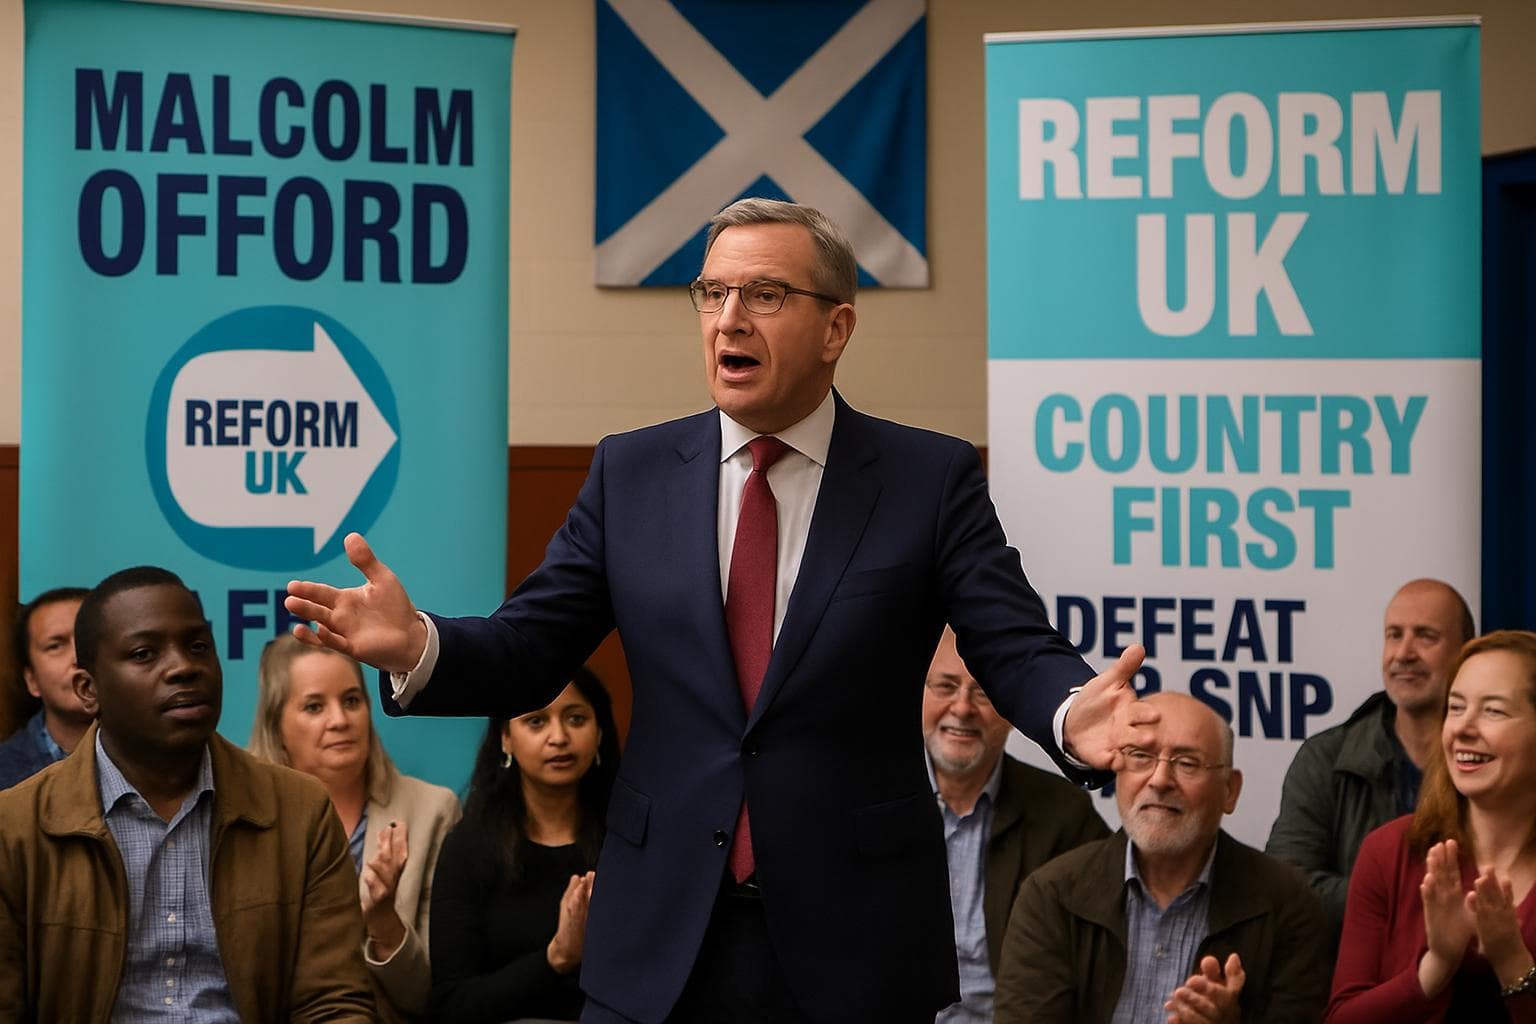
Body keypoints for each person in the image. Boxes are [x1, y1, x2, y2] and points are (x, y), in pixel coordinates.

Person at [286, 198, 1153, 1024]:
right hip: (658, 931)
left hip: (854, 939)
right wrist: (419, 645)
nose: (729, 317)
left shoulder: (928, 479)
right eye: (713, 292)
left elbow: (1011, 642)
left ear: (837, 328)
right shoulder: (631, 473)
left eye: (765, 294)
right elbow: (529, 647)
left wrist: (1073, 712)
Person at [0, 566, 373, 1021]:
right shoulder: (14, 829)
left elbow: (333, 1001)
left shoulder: (299, 811)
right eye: (144, 653)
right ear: (89, 690)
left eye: (198, 646)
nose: (183, 667)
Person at [994, 692, 1329, 1024]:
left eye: (1186, 763)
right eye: (1141, 756)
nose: (1159, 780)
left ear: (1229, 790)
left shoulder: (1287, 903)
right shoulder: (1053, 894)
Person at [249, 632, 461, 1022]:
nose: (340, 720)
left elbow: (428, 995)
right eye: (314, 707)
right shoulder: (245, 817)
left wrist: (383, 922)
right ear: (276, 725)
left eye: (351, 700)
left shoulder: (433, 811)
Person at [1327, 630, 1536, 1023]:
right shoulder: (1389, 851)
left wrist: (1514, 963)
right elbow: (1342, 1018)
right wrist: (1436, 964)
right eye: (1455, 708)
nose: (1463, 729)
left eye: (1493, 711)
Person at [923, 626, 1109, 1024]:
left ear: (1011, 710)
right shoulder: (868, 802)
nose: (961, 708)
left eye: (982, 692)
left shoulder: (1064, 815)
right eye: (945, 686)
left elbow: (1103, 953)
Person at [1267, 578, 1475, 934]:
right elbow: (1286, 888)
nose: (1403, 653)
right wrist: (1420, 900)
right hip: (1347, 978)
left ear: (1465, 652)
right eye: (1394, 635)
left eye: (1425, 636)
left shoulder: (1490, 761)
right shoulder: (1326, 759)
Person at [428, 668, 620, 1023]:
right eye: (536, 721)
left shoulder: (629, 843)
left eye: (576, 719)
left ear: (599, 731)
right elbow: (451, 1004)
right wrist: (556, 958)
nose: (559, 737)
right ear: (505, 738)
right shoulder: (468, 849)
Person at [0, 586, 90, 789]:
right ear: (32, 681)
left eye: (88, 639)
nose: (78, 657)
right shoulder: (5, 774)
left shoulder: (162, 754)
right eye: (55, 645)